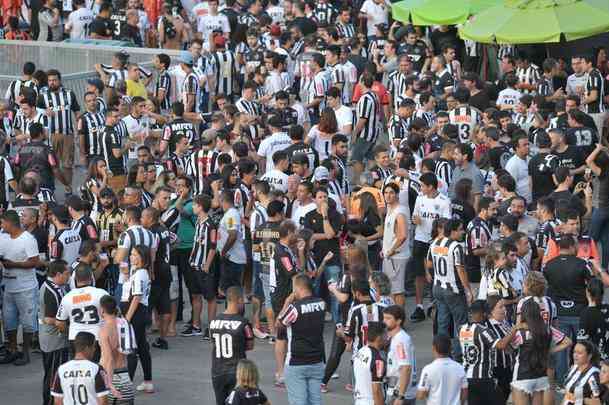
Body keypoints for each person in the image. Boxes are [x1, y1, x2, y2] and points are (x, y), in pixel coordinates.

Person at [0, 210, 42, 366]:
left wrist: (13, 264)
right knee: (8, 320)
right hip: (8, 287)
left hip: (26, 288)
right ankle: (12, 350)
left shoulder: (28, 239)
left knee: (28, 321)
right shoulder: (3, 238)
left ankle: (25, 353)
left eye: (3, 222)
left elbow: (34, 262)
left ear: (10, 223)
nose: (2, 225)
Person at [511, 299, 572, 405]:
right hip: (541, 377)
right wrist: (550, 350)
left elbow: (509, 348)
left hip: (522, 377)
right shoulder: (548, 329)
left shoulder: (520, 332)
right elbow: (568, 342)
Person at [278, 274, 326, 405]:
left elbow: (280, 324)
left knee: (299, 401)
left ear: (299, 288)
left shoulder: (294, 308)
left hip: (296, 361)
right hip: (317, 360)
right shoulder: (321, 304)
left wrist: (287, 303)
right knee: (315, 400)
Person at [427, 218, 471, 356]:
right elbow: (460, 269)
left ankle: (442, 352)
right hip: (453, 289)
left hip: (438, 287)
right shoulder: (455, 246)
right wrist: (468, 290)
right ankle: (460, 354)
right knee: (461, 324)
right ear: (453, 231)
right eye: (460, 229)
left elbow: (429, 265)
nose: (463, 232)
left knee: (443, 323)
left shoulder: (434, 243)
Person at [412, 172, 451, 322]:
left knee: (435, 273)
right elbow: (415, 216)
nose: (420, 188)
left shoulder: (444, 201)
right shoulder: (419, 198)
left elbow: (446, 224)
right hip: (420, 239)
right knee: (419, 274)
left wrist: (438, 239)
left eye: (422, 186)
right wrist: (416, 220)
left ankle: (434, 303)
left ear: (430, 186)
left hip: (435, 242)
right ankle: (419, 306)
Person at [209, 286, 254, 405]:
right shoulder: (244, 323)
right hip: (237, 372)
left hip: (217, 371)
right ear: (239, 300)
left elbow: (213, 341)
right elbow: (250, 345)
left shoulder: (214, 322)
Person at [119, 244, 153, 393]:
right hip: (137, 312)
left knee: (132, 349)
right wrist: (126, 274)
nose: (131, 256)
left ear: (142, 257)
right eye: (131, 254)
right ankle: (147, 381)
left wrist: (127, 318)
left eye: (134, 254)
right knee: (142, 347)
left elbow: (136, 297)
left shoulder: (140, 274)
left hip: (136, 313)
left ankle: (127, 385)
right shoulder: (137, 272)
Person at [39, 260, 71, 405]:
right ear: (58, 274)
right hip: (55, 341)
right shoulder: (52, 291)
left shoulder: (54, 286)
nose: (69, 276)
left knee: (53, 376)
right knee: (54, 377)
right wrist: (69, 331)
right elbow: (50, 319)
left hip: (52, 340)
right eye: (66, 273)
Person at [50, 331, 110, 405]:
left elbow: (58, 402)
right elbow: (103, 401)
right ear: (87, 347)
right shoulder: (97, 369)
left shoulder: (61, 370)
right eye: (94, 346)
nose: (94, 349)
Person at [99, 294, 136, 405]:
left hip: (111, 378)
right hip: (125, 377)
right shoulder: (125, 324)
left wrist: (109, 384)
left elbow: (109, 359)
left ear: (102, 310)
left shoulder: (104, 330)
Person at [416, 335, 468, 405]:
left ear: (433, 348)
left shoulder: (428, 370)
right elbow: (464, 391)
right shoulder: (460, 368)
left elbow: (421, 395)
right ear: (450, 348)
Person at [381, 182, 409, 309]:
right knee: (391, 290)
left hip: (397, 257)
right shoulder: (390, 209)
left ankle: (399, 320)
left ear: (397, 195)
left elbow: (402, 235)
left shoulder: (399, 212)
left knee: (397, 291)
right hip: (390, 256)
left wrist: (391, 250)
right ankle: (394, 318)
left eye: (391, 193)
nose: (388, 196)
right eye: (386, 193)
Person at [383, 305, 417, 405]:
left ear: (398, 321)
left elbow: (406, 368)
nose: (384, 321)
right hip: (397, 391)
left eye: (388, 318)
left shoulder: (400, 340)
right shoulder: (396, 338)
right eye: (384, 318)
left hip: (398, 393)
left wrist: (400, 396)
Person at [352, 322, 386, 405]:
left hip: (358, 400)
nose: (387, 338)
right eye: (385, 335)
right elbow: (377, 391)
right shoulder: (378, 361)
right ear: (379, 337)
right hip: (371, 401)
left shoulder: (360, 351)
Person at [562, 340, 602, 405]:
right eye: (574, 352)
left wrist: (578, 399)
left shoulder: (593, 375)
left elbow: (597, 402)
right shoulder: (574, 368)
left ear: (589, 356)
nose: (575, 355)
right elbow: (567, 395)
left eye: (580, 353)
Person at [578, 278, 609, 361]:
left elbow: (582, 340)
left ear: (587, 292)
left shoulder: (586, 313)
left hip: (594, 358)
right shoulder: (607, 308)